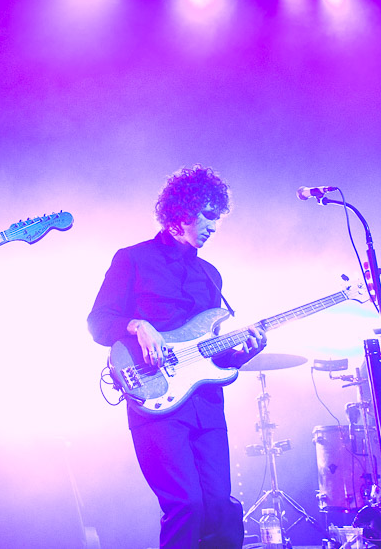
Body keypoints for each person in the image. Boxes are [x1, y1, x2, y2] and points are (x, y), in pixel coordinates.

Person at [87, 165, 266, 549]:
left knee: (220, 506)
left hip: (207, 405)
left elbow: (217, 358)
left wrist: (244, 352)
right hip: (157, 402)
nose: (214, 227)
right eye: (209, 216)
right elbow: (98, 323)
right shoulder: (133, 259)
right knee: (186, 505)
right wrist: (136, 325)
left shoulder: (211, 275)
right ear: (182, 211)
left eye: (219, 218)